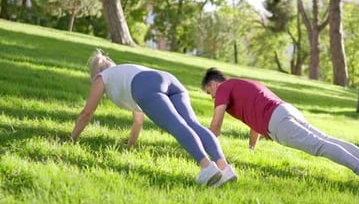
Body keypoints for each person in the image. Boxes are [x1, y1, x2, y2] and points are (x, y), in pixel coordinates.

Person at [201, 67, 359, 188]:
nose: (212, 98)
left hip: (277, 122)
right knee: (328, 140)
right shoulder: (242, 84)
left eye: (209, 92)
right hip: (286, 110)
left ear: (214, 84)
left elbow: (216, 126)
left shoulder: (223, 89)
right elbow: (254, 123)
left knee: (320, 147)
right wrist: (252, 148)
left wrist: (206, 153)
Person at [71, 50, 237, 187]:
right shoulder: (124, 74)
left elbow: (86, 113)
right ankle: (224, 168)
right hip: (168, 79)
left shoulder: (102, 78)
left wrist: (72, 139)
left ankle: (207, 167)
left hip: (147, 85)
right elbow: (138, 120)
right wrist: (130, 145)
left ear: (94, 74)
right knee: (193, 124)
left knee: (176, 125)